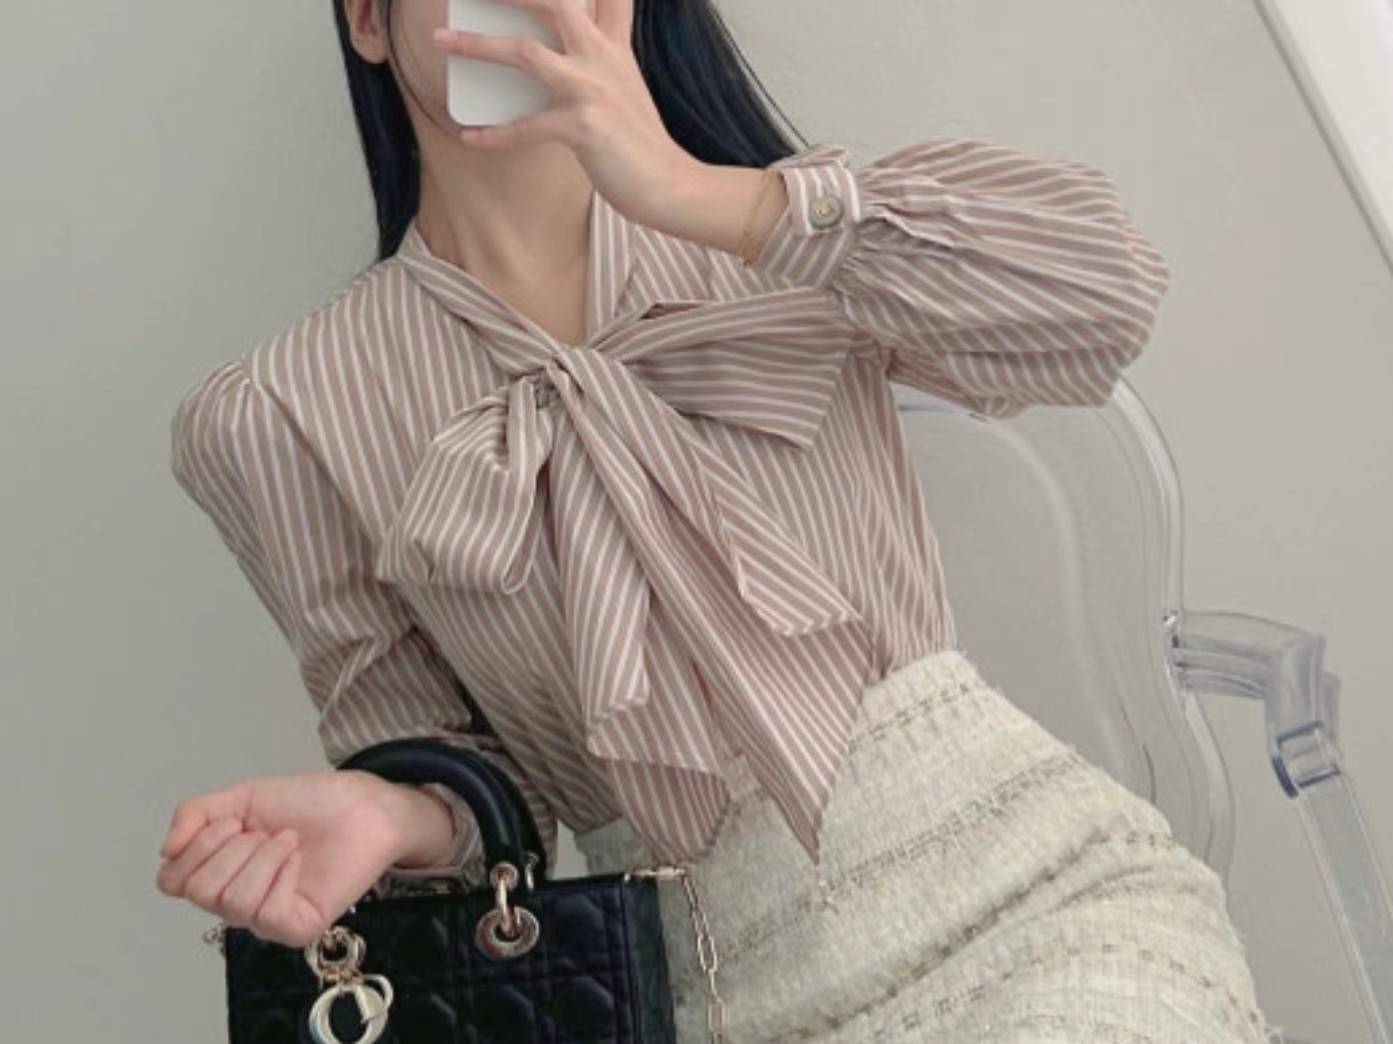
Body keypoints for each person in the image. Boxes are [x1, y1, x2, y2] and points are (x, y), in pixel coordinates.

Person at [154, 0, 1276, 1039]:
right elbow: (478, 795)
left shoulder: (780, 231)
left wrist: (698, 194)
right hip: (712, 993)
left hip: (1048, 903)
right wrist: (397, 817)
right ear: (368, 18)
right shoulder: (275, 415)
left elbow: (1103, 297)